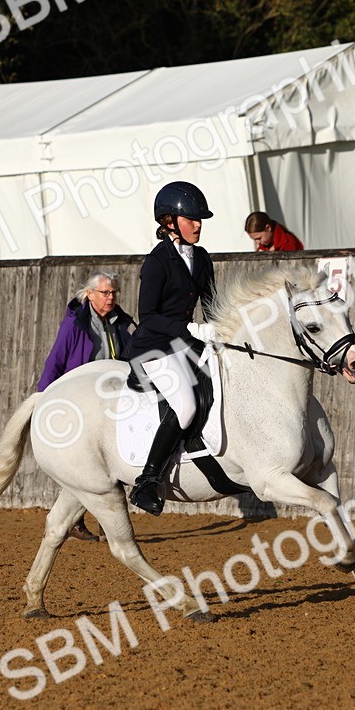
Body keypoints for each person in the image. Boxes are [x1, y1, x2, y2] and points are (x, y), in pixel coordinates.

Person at [127, 182, 217, 517]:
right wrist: (189, 328)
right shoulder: (157, 262)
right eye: (191, 219)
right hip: (154, 347)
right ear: (169, 221)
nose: (198, 224)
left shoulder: (203, 257)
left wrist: (222, 329)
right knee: (186, 403)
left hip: (188, 342)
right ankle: (148, 480)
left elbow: (211, 304)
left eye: (199, 219)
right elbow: (147, 317)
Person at [38, 272, 135, 540]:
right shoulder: (75, 325)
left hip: (112, 399)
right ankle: (80, 520)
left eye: (114, 292)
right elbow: (55, 360)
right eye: (105, 293)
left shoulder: (120, 323)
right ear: (89, 294)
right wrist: (43, 397)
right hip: (82, 400)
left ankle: (96, 522)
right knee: (85, 465)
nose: (111, 297)